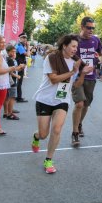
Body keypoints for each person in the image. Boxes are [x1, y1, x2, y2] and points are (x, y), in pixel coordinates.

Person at [31, 34, 92, 173]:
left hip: (62, 99)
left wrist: (82, 73)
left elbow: (76, 85)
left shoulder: (77, 61)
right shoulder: (51, 58)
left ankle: (48, 160)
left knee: (57, 129)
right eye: (73, 46)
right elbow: (53, 79)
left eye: (77, 47)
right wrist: (73, 71)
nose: (75, 49)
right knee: (43, 134)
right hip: (45, 99)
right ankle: (36, 137)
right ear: (64, 46)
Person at [71, 17, 102, 145]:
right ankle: (75, 133)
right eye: (88, 27)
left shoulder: (96, 40)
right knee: (79, 104)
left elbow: (101, 54)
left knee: (86, 105)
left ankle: (79, 123)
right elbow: (68, 54)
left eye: (93, 28)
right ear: (82, 27)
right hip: (77, 76)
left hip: (91, 77)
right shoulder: (75, 40)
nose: (91, 30)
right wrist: (79, 62)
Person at [0, 35, 25, 136]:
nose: (4, 44)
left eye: (4, 42)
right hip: (0, 83)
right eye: (1, 42)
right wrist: (14, 68)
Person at [3, 45, 21, 120]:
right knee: (12, 97)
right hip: (11, 80)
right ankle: (10, 113)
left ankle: (6, 112)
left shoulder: (7, 58)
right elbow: (10, 71)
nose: (14, 53)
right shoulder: (9, 59)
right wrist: (17, 76)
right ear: (8, 51)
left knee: (7, 97)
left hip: (8, 80)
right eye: (12, 51)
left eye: (15, 52)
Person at [15, 32, 29, 103]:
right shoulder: (19, 46)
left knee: (18, 82)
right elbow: (28, 54)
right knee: (19, 82)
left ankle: (17, 96)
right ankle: (18, 97)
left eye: (25, 38)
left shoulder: (21, 45)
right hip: (19, 66)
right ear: (19, 38)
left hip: (20, 66)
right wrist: (28, 46)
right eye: (23, 37)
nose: (25, 39)